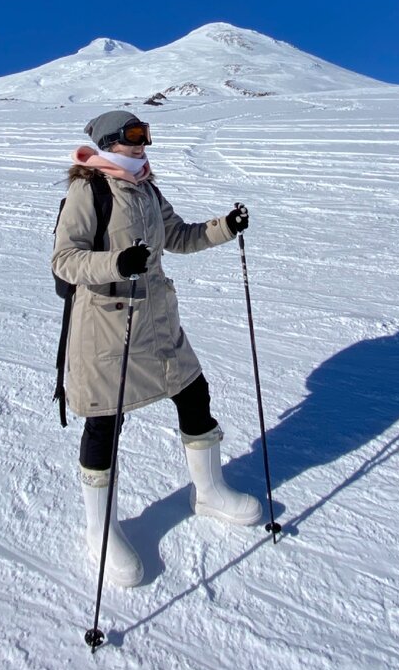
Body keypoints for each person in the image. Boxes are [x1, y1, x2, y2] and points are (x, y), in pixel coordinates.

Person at [52, 110, 262, 588]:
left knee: (194, 394)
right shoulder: (90, 190)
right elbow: (64, 259)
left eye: (146, 134)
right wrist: (117, 261)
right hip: (107, 328)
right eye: (133, 135)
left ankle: (207, 492)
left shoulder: (146, 188)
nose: (143, 143)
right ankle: (99, 530)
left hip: (157, 320)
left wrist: (225, 226)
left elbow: (181, 237)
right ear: (108, 143)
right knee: (105, 422)